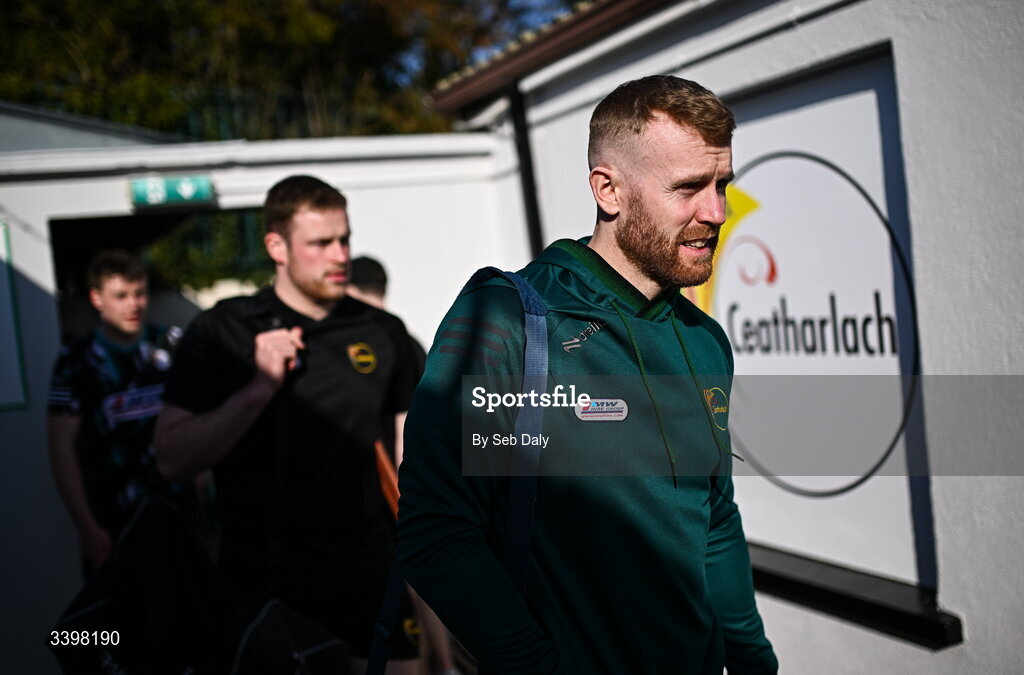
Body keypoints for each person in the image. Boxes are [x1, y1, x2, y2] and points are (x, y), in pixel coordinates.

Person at [396, 76, 778, 674]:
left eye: (722, 184)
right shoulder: (509, 319)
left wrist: (754, 662)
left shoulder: (706, 341)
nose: (717, 212)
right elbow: (437, 535)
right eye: (689, 188)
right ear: (609, 190)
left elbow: (714, 521)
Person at [154, 175, 420, 673]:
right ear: (277, 245)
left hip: (368, 571)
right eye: (321, 243)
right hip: (266, 586)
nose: (340, 255)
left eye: (344, 239)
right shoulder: (224, 330)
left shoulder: (382, 331)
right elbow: (171, 456)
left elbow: (412, 453)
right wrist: (257, 388)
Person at [48, 250, 193, 578]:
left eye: (140, 293)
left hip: (177, 512)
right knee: (121, 623)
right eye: (121, 296)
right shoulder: (75, 360)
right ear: (96, 298)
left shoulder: (170, 343)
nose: (134, 305)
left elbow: (197, 419)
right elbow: (61, 447)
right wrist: (85, 525)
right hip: (113, 521)